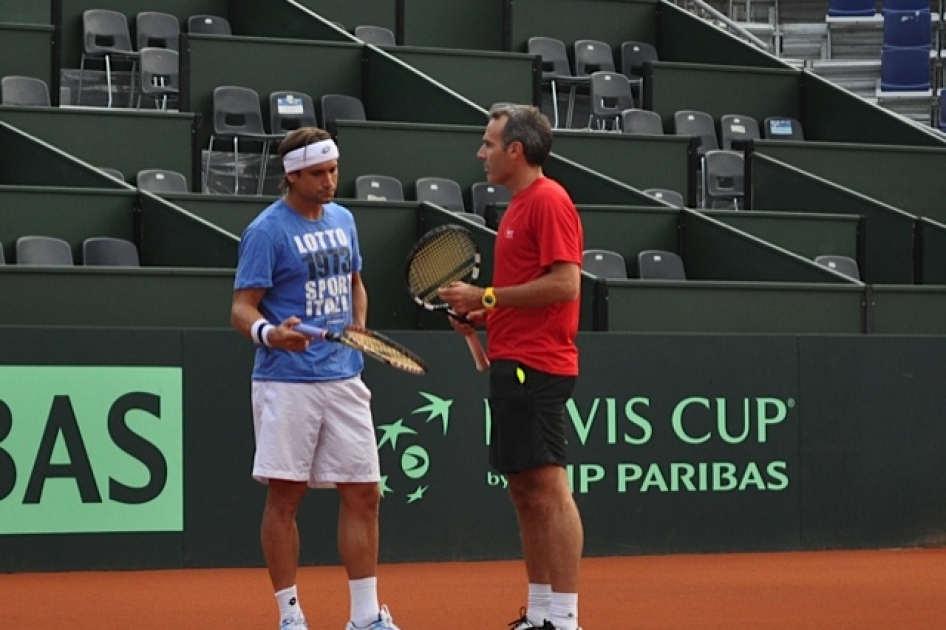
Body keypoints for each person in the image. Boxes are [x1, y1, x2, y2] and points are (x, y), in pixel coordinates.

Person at [231, 127, 402, 630]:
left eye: (333, 171)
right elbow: (242, 308)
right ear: (291, 175)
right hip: (286, 381)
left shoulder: (345, 220)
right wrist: (269, 333)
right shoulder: (266, 232)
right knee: (285, 497)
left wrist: (359, 328)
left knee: (364, 492)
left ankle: (366, 617)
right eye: (317, 173)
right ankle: (291, 617)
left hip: (344, 377)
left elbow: (355, 285)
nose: (329, 181)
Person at [438, 104, 585, 630]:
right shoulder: (517, 207)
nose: (481, 153)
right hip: (510, 361)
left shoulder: (548, 200)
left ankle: (565, 620)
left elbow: (567, 284)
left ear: (515, 150)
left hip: (539, 367)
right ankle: (541, 613)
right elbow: (524, 294)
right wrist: (482, 318)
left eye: (488, 143)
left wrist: (488, 294)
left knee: (549, 490)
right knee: (523, 492)